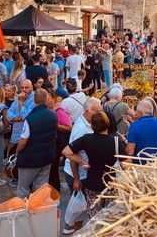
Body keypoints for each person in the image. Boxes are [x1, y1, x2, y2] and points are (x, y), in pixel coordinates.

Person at [62, 111, 127, 220]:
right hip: (111, 183)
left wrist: (82, 161)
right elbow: (126, 162)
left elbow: (66, 152)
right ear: (108, 123)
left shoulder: (86, 139)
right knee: (110, 218)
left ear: (92, 125)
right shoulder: (115, 141)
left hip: (92, 183)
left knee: (94, 217)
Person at [62, 98, 101, 234]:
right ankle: (74, 229)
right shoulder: (81, 129)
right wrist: (77, 179)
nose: (99, 114)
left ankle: (74, 228)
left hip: (80, 172)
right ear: (86, 111)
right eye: (96, 111)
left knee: (81, 206)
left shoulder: (87, 124)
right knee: (79, 207)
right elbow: (71, 155)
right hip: (76, 173)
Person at [16, 88, 58, 199]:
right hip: (47, 156)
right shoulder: (53, 114)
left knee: (23, 188)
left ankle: (22, 211)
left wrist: (17, 151)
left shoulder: (30, 118)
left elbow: (23, 141)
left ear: (34, 101)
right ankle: (41, 211)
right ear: (46, 100)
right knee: (42, 187)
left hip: (30, 159)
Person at [7, 79, 35, 186]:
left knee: (26, 159)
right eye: (22, 87)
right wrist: (16, 118)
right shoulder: (18, 98)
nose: (24, 90)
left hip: (27, 136)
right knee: (16, 157)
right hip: (17, 134)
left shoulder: (33, 99)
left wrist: (21, 102)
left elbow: (26, 117)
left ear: (31, 88)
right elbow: (9, 113)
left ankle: (26, 183)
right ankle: (16, 177)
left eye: (26, 87)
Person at [47, 90, 72, 193]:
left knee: (53, 169)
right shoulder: (48, 110)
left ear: (54, 99)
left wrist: (55, 125)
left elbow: (69, 127)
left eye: (48, 99)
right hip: (52, 142)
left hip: (57, 143)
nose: (46, 101)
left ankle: (55, 191)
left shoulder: (59, 111)